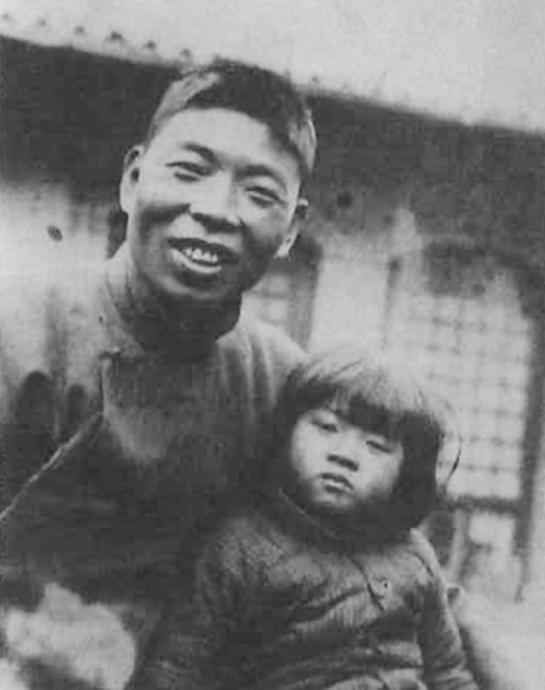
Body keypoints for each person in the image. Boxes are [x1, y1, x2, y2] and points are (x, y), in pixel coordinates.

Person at [0, 59, 315, 690]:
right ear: (132, 180)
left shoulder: (282, 381)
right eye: (190, 171)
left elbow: (372, 555)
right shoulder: (20, 329)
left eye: (259, 193)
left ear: (291, 230)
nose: (216, 211)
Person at [137, 345, 479, 690]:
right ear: (285, 431)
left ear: (407, 471)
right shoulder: (238, 550)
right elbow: (177, 669)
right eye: (327, 427)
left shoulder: (414, 557)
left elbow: (449, 672)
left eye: (376, 445)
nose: (345, 455)